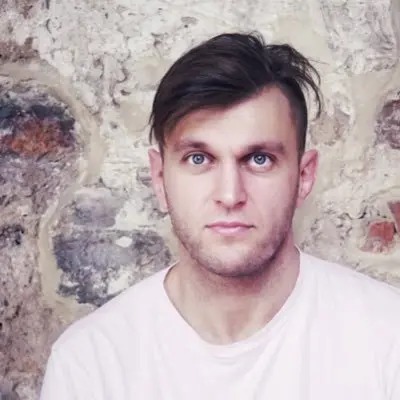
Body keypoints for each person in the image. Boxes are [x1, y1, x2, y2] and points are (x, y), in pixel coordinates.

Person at [40, 32, 400, 399]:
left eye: (259, 159)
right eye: (199, 158)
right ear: (160, 178)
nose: (230, 195)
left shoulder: (388, 339)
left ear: (303, 176)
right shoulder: (90, 364)